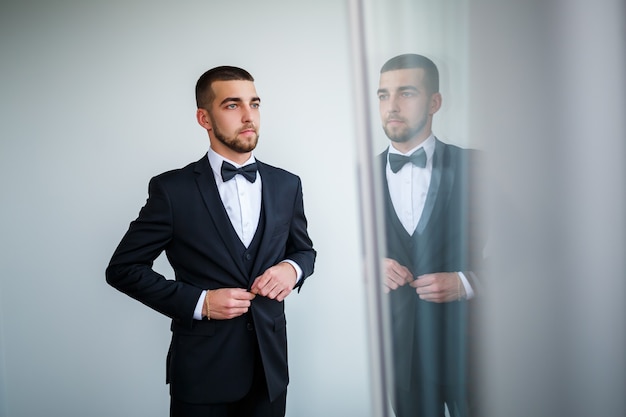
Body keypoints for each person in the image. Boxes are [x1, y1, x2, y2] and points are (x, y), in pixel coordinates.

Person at [106, 65, 316, 417]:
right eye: (232, 105)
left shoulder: (287, 184)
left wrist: (291, 269)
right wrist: (200, 302)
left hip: (270, 372)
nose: (249, 116)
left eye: (255, 103)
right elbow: (123, 269)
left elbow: (304, 250)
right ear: (204, 118)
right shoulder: (172, 190)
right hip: (202, 374)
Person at [377, 54, 484, 417]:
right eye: (382, 95)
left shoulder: (477, 166)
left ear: (434, 102)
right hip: (401, 355)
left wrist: (467, 282)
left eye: (406, 93)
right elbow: (325, 249)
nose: (391, 107)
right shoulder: (361, 176)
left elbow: (529, 243)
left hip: (470, 349)